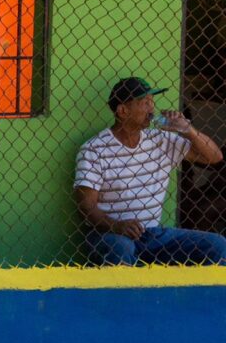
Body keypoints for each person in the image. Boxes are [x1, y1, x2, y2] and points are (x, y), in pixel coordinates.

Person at [75, 77, 226, 265]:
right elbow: (86, 206)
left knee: (218, 245)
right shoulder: (94, 149)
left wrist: (188, 130)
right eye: (144, 103)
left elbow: (214, 157)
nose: (151, 108)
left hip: (153, 235)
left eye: (151, 102)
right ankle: (126, 295)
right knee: (121, 248)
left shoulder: (160, 139)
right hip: (111, 234)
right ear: (123, 111)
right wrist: (117, 226)